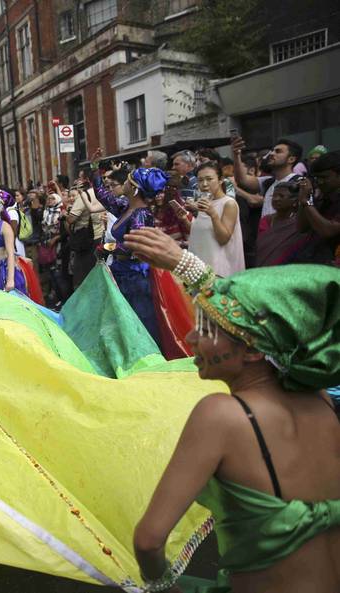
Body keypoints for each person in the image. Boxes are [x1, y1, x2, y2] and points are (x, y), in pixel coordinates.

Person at [124, 227, 340, 593]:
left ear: (255, 351)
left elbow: (148, 540)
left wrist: (162, 586)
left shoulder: (222, 415)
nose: (191, 337)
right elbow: (261, 313)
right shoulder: (321, 401)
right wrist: (186, 265)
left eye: (207, 328)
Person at [90, 148, 167, 347]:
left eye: (127, 181)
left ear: (133, 188)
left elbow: (135, 246)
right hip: (121, 272)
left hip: (135, 277)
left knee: (139, 319)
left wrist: (107, 247)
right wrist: (95, 168)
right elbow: (102, 195)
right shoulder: (126, 207)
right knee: (122, 320)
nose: (122, 183)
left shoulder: (140, 214)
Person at [186, 161, 245, 277]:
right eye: (200, 180)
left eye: (209, 179)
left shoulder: (229, 204)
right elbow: (201, 233)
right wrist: (184, 218)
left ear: (220, 180)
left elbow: (223, 239)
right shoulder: (205, 202)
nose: (204, 184)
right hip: (200, 267)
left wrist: (213, 214)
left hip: (219, 270)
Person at [233, 136, 303, 218]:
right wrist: (236, 154)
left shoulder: (299, 183)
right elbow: (242, 179)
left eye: (278, 151)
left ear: (291, 159)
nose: (272, 154)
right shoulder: (268, 182)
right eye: (272, 151)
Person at [296, 151, 340, 265]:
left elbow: (328, 230)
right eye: (316, 178)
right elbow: (302, 227)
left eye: (324, 177)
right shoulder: (322, 199)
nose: (319, 182)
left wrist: (307, 202)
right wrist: (305, 199)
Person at [255, 181, 308, 267]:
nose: (276, 199)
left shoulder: (299, 223)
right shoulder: (266, 220)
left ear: (295, 201)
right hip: (262, 269)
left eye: (281, 196)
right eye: (274, 196)